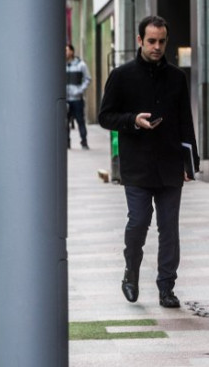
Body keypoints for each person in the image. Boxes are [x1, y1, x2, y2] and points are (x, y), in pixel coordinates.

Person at [98, 15, 200, 308]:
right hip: (137, 164)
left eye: (162, 41)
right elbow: (106, 116)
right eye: (151, 41)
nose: (157, 47)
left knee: (169, 228)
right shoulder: (121, 75)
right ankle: (131, 271)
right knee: (139, 222)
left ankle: (166, 286)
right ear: (139, 40)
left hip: (169, 164)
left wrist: (189, 162)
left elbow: (185, 121)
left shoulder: (177, 78)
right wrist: (133, 120)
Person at [66, 43, 92, 150]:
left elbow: (88, 79)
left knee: (80, 120)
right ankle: (66, 142)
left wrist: (80, 90)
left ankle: (84, 141)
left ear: (72, 51)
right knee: (65, 122)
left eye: (67, 50)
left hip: (77, 99)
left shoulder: (81, 65)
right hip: (66, 99)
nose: (65, 52)